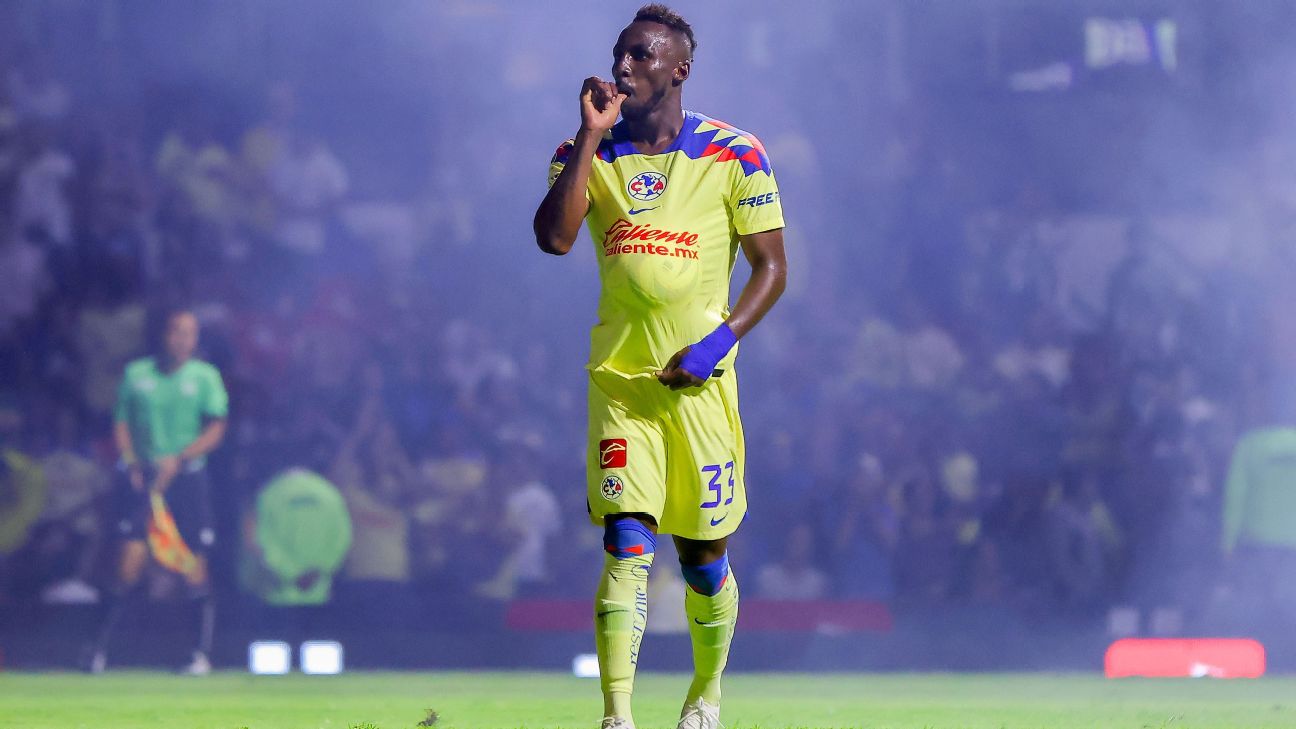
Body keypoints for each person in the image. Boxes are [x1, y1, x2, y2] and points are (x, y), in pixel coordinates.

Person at [533, 6, 787, 728]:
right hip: (622, 383)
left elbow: (772, 269)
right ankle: (617, 715)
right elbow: (554, 239)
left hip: (701, 388)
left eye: (641, 56)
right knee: (625, 542)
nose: (623, 67)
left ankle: (705, 693)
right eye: (620, 53)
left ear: (679, 70)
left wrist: (716, 345)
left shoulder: (735, 153)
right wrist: (590, 135)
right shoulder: (586, 150)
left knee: (703, 557)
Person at [88, 309, 229, 674]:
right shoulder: (137, 374)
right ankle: (97, 651)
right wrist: (132, 463)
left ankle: (198, 655)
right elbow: (121, 422)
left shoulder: (205, 377)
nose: (183, 340)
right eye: (176, 332)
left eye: (190, 333)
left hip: (188, 479)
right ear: (164, 335)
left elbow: (216, 428)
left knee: (193, 566)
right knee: (128, 564)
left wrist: (179, 459)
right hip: (144, 478)